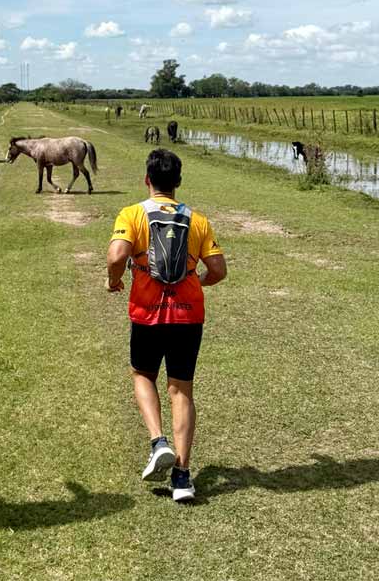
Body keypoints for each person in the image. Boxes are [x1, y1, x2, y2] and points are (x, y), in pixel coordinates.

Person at [106, 149, 227, 502]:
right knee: (181, 390)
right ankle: (183, 478)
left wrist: (114, 281)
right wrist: (195, 281)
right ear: (178, 182)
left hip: (146, 312)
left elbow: (116, 256)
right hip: (189, 315)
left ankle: (159, 442)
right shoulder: (198, 221)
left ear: (147, 180)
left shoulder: (132, 214)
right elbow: (218, 270)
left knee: (143, 375)